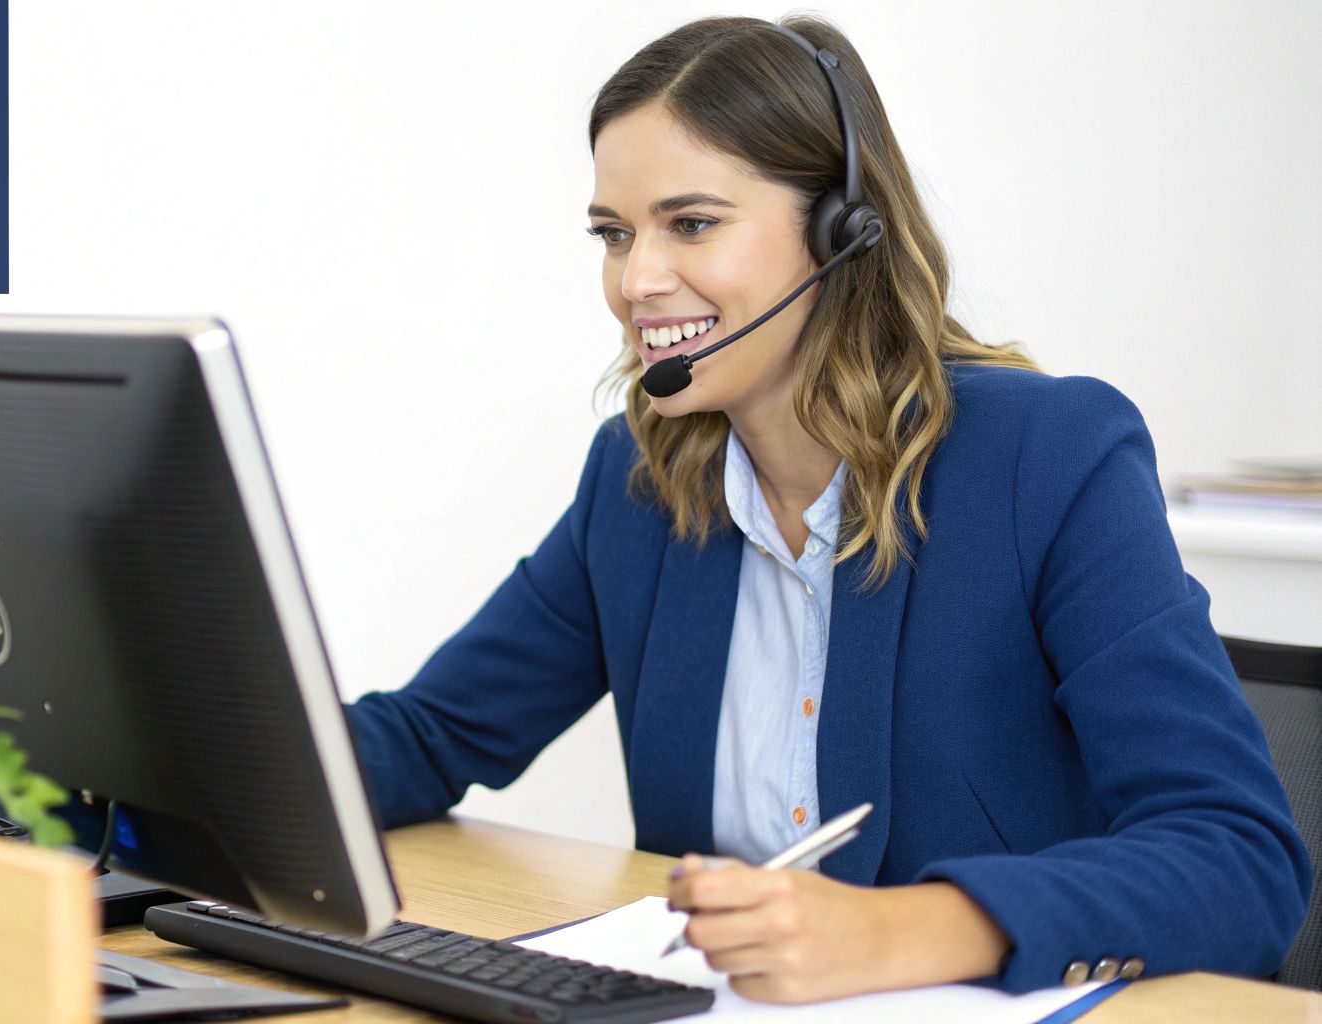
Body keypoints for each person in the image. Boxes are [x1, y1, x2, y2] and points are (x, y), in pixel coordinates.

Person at [341, 12, 1310, 1004]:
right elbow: (426, 737)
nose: (634, 281)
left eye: (690, 223)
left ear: (839, 233)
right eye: (613, 234)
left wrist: (905, 927)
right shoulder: (638, 484)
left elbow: (1239, 856)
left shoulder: (1046, 456)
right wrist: (182, 774)